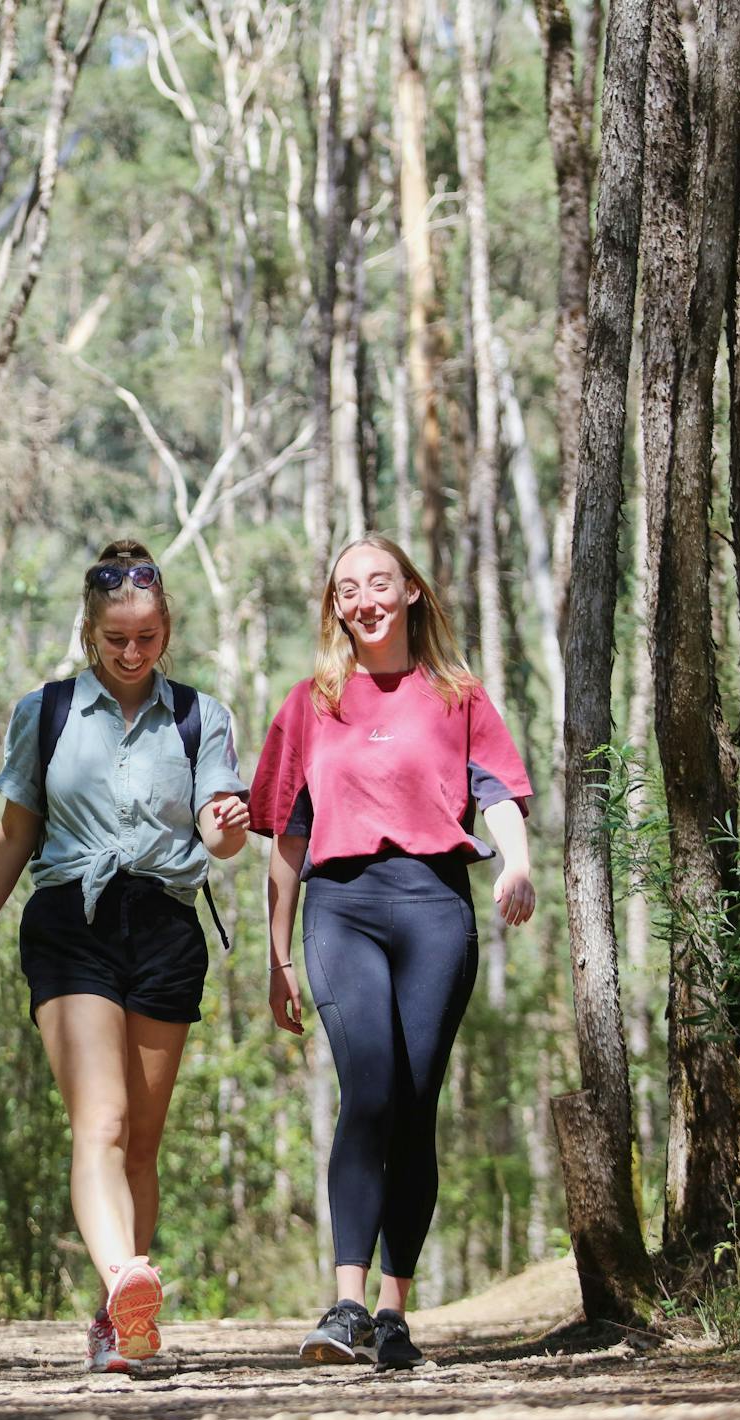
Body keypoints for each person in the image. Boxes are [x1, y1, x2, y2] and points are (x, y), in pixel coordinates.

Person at [0, 539, 252, 1374]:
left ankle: (120, 1324)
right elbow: (15, 836)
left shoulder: (201, 717)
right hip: (69, 921)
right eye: (116, 638)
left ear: (166, 631)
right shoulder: (44, 713)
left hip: (166, 925)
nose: (131, 652)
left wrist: (227, 829)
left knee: (141, 1143)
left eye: (146, 637)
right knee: (101, 1123)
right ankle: (124, 1284)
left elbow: (220, 835)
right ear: (89, 632)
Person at [248, 535, 535, 1370]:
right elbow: (287, 840)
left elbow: (497, 793)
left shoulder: (457, 695)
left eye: (380, 583)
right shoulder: (310, 704)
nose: (366, 600)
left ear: (410, 591)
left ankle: (393, 1312)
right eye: (348, 590)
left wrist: (517, 863)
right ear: (336, 608)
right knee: (368, 1087)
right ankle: (345, 1304)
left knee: (414, 1104)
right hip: (342, 909)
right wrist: (277, 957)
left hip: (434, 908)